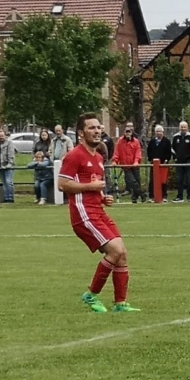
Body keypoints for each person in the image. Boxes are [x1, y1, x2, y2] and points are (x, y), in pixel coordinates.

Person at [57, 112, 139, 313]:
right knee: (115, 251)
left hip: (98, 211)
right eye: (91, 128)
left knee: (122, 254)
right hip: (84, 214)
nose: (97, 131)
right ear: (81, 133)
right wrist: (91, 187)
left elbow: (93, 184)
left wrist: (102, 197)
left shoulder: (99, 157)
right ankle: (91, 294)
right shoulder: (74, 155)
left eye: (98, 127)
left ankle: (120, 304)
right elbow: (62, 184)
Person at [114, 122, 144, 203]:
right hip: (126, 165)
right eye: (126, 132)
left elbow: (138, 152)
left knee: (137, 181)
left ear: (131, 133)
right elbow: (117, 152)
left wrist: (136, 161)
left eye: (129, 132)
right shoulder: (120, 141)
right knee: (132, 181)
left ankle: (134, 198)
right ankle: (142, 194)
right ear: (124, 132)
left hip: (135, 165)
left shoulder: (136, 141)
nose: (127, 133)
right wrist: (115, 161)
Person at [0, 128, 17, 203]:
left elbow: (11, 154)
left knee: (9, 182)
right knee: (4, 183)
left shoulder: (9, 143)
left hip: (8, 166)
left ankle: (10, 198)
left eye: (2, 136)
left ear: (5, 136)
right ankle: (6, 197)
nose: (1, 137)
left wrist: (10, 164)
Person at [170, 121, 190, 202]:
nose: (183, 128)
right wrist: (175, 157)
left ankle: (189, 197)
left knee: (189, 179)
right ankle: (180, 197)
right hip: (179, 162)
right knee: (179, 180)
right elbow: (172, 149)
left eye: (184, 127)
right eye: (181, 127)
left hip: (188, 161)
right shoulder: (175, 137)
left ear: (187, 128)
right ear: (179, 128)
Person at [146, 125, 172, 202]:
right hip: (154, 164)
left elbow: (169, 152)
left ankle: (164, 196)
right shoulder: (152, 142)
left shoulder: (167, 141)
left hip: (163, 164)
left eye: (160, 131)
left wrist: (166, 160)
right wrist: (151, 159)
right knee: (152, 180)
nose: (158, 133)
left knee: (163, 180)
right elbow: (149, 151)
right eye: (157, 131)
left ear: (162, 132)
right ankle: (152, 196)